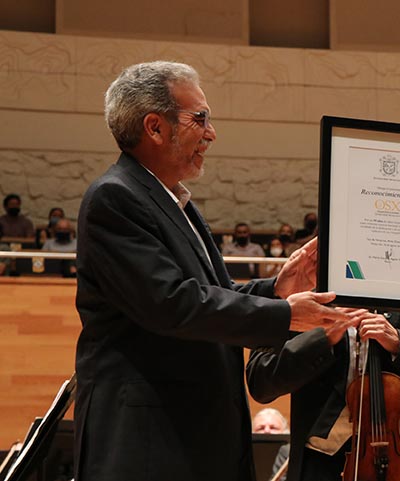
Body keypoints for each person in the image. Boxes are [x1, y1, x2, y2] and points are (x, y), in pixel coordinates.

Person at [73, 60, 353, 481]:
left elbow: (210, 292)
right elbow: (173, 304)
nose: (211, 132)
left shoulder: (171, 201)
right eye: (200, 118)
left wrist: (276, 288)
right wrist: (286, 314)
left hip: (191, 437)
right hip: (151, 441)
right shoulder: (115, 198)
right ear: (155, 127)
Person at [246, 309, 400, 481]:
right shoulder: (302, 290)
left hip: (397, 466)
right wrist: (320, 340)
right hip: (319, 466)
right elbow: (260, 383)